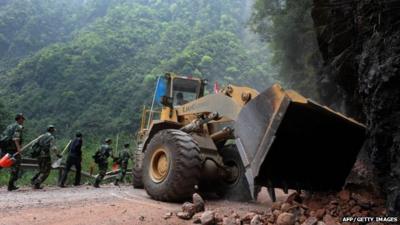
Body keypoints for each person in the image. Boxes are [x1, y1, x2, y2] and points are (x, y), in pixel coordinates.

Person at [0, 113, 25, 191]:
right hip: (12, 150)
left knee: (1, 164)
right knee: (16, 165)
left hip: (4, 149)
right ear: (19, 119)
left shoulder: (10, 126)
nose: (23, 120)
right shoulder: (18, 127)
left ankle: (11, 185)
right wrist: (19, 149)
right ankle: (11, 185)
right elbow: (16, 138)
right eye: (22, 119)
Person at [31, 125, 59, 189]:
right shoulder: (51, 137)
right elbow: (53, 148)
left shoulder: (41, 136)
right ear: (51, 130)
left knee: (41, 169)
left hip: (39, 155)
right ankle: (37, 183)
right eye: (53, 130)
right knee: (46, 171)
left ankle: (33, 180)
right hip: (46, 156)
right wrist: (57, 154)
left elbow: (33, 144)